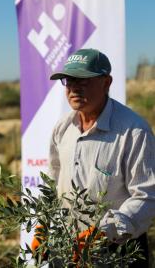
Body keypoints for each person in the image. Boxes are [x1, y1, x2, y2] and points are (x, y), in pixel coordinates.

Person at [48, 48, 155, 267]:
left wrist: (103, 232)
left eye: (84, 80)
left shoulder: (133, 131)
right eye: (69, 80)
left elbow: (147, 197)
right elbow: (53, 180)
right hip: (67, 245)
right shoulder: (63, 128)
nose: (74, 88)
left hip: (118, 251)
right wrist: (45, 223)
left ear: (106, 82)